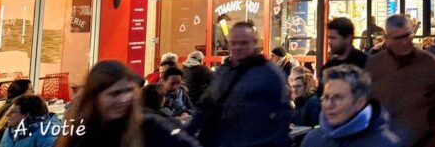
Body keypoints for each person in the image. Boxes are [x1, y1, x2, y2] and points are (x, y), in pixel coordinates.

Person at [189, 21, 291, 147]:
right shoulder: (223, 72)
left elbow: (282, 114)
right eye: (234, 43)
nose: (238, 47)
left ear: (254, 43)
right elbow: (206, 106)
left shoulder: (269, 74)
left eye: (244, 43)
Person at [57, 60, 200, 147]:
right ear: (95, 97)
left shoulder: (150, 125)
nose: (124, 98)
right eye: (115, 94)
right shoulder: (80, 132)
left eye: (128, 91)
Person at [365, 14, 435, 147]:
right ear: (387, 39)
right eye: (398, 38)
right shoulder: (375, 65)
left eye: (407, 36)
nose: (404, 42)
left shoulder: (429, 64)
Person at [301, 65, 401, 147]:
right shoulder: (312, 140)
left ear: (359, 103)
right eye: (326, 97)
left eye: (337, 98)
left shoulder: (386, 143)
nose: (329, 105)